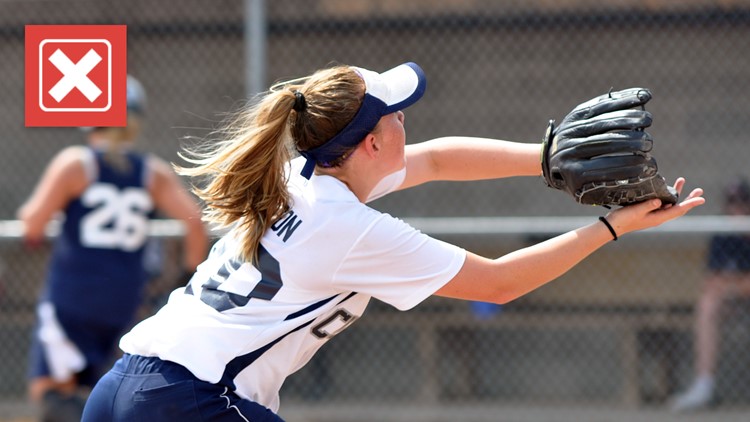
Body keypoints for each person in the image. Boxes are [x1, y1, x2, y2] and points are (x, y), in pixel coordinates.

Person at [81, 62, 705, 421]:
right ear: (371, 144)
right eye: (396, 116)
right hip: (188, 400)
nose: (408, 123)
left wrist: (545, 159)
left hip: (123, 389)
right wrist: (612, 228)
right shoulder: (345, 228)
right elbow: (499, 283)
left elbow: (434, 161)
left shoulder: (306, 178)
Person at [18, 75, 209, 422]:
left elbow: (33, 222)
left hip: (73, 296)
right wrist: (187, 275)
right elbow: (194, 221)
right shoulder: (151, 172)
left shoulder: (76, 164)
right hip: (124, 298)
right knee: (106, 390)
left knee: (51, 390)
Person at [670, 177, 750, 412]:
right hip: (734, 301)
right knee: (708, 305)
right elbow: (711, 283)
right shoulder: (723, 234)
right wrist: (738, 284)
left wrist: (732, 282)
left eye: (742, 203)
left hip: (735, 293)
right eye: (732, 203)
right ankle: (704, 386)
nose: (737, 209)